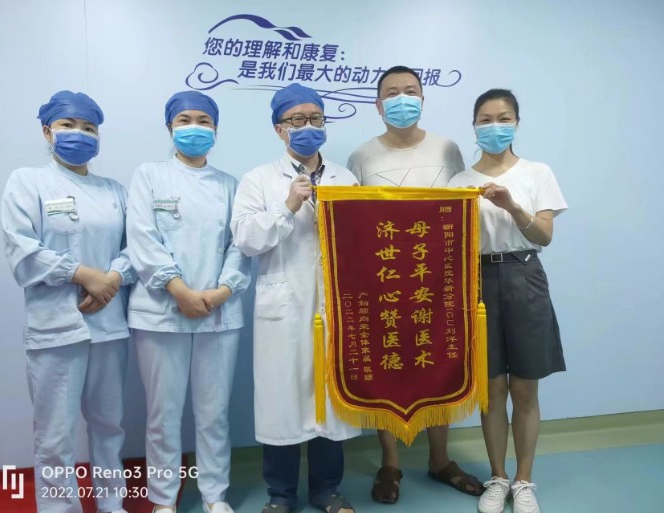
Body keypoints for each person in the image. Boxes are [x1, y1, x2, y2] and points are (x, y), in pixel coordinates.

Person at [346, 65, 483, 504]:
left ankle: (440, 459)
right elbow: (353, 221)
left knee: (439, 359)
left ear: (422, 99)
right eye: (392, 93)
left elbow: (461, 209)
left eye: (410, 91)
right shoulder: (362, 156)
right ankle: (391, 463)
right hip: (384, 277)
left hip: (438, 278)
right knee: (387, 363)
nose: (401, 99)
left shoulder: (447, 149)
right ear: (378, 104)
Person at [1, 90, 134, 513]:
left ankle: (112, 504)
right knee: (55, 435)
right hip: (55, 327)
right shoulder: (27, 182)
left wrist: (112, 279)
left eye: (89, 127)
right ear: (47, 132)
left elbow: (135, 249)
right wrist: (83, 274)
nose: (79, 133)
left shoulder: (113, 190)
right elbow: (22, 250)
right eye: (68, 125)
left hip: (109, 326)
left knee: (109, 426)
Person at [230, 83, 361, 513]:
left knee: (330, 397)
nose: (308, 126)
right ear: (278, 129)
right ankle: (280, 494)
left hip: (334, 305)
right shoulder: (259, 179)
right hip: (284, 306)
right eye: (297, 120)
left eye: (315, 118)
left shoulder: (345, 178)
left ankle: (327, 490)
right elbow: (245, 239)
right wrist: (286, 206)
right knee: (282, 399)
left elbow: (362, 239)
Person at [126, 91, 250, 513]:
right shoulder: (149, 176)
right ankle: (163, 499)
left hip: (218, 313)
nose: (194, 127)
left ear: (215, 129)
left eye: (203, 120)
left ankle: (215, 494)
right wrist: (178, 290)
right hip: (161, 313)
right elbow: (142, 238)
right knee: (163, 414)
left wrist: (222, 292)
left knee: (214, 413)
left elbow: (239, 246)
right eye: (184, 120)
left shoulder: (229, 185)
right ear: (170, 127)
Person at [448, 89, 567, 513]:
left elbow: (544, 236)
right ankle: (497, 478)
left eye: (503, 118)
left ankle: (524, 480)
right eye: (485, 119)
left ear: (516, 123)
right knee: (492, 387)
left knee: (525, 386)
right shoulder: (459, 182)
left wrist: (512, 206)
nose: (494, 126)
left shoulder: (536, 172)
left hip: (524, 273)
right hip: (477, 280)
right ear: (474, 125)